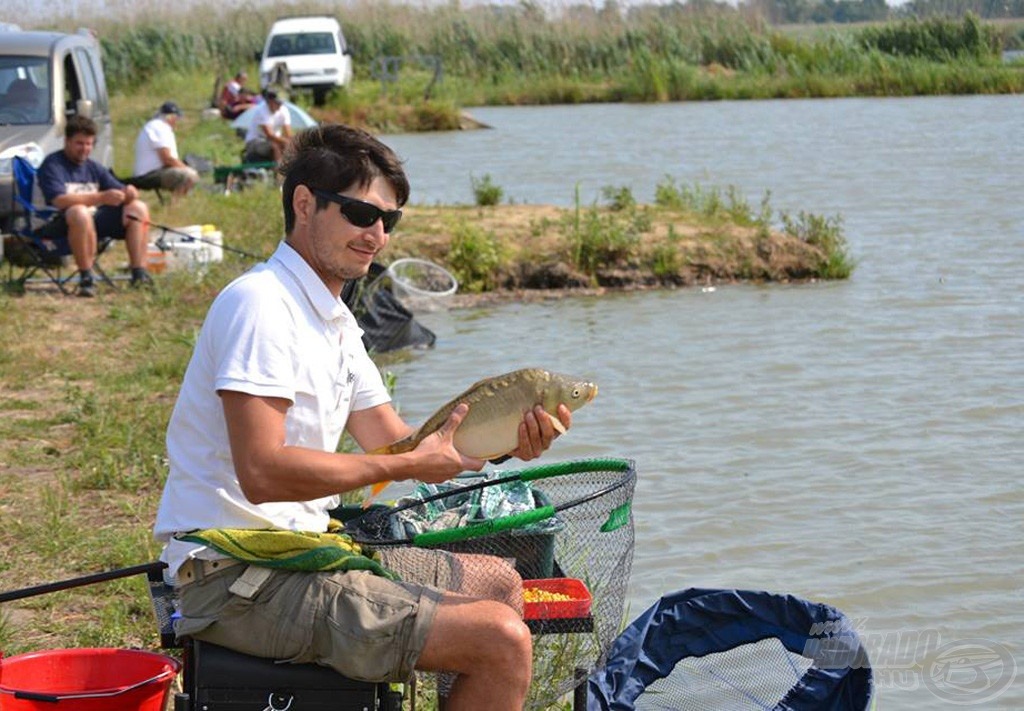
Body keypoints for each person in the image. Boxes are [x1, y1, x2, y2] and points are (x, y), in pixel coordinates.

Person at [153, 124, 574, 710]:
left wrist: (505, 442)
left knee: (502, 583)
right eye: (359, 213)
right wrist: (397, 466)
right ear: (305, 204)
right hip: (235, 580)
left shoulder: (335, 323)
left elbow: (401, 444)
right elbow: (262, 472)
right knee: (502, 643)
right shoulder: (261, 307)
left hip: (300, 554)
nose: (376, 235)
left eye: (388, 221)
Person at [36, 115, 152, 297]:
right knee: (80, 212)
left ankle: (139, 273)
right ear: (67, 141)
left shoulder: (94, 167)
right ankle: (86, 278)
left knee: (138, 208)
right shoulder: (53, 165)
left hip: (95, 220)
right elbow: (59, 200)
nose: (85, 149)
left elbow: (120, 190)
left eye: (89, 144)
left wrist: (129, 193)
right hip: (61, 223)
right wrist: (100, 197)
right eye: (79, 144)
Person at [131, 101, 200, 199]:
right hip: (149, 174)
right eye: (177, 118)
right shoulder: (160, 127)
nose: (177, 122)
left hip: (154, 171)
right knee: (190, 176)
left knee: (187, 172)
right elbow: (167, 158)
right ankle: (175, 207)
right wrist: (186, 168)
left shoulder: (157, 126)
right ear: (170, 117)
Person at [242, 88, 292, 164]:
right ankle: (279, 172)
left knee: (291, 147)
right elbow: (269, 135)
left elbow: (288, 133)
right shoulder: (261, 111)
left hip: (273, 140)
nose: (280, 105)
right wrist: (286, 142)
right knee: (275, 146)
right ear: (269, 102)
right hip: (255, 141)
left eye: (281, 103)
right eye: (277, 103)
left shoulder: (284, 110)